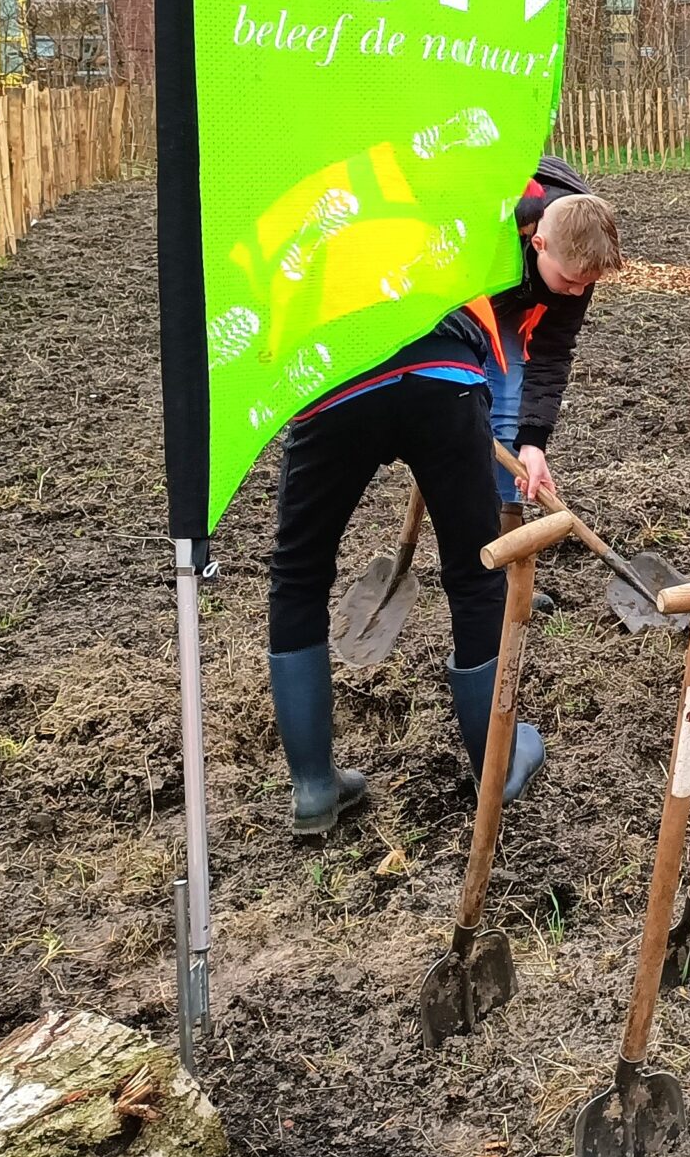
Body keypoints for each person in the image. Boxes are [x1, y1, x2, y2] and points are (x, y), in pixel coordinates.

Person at [262, 309, 538, 836]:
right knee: (477, 572)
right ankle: (495, 768)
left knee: (298, 572)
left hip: (335, 370)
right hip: (443, 368)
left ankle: (314, 787)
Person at [476, 160, 624, 532]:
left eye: (586, 285)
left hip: (518, 290)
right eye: (571, 281)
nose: (578, 292)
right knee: (475, 393)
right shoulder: (490, 229)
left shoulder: (578, 256)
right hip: (469, 290)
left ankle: (507, 525)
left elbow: (552, 354)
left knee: (510, 399)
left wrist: (534, 442)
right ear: (538, 244)